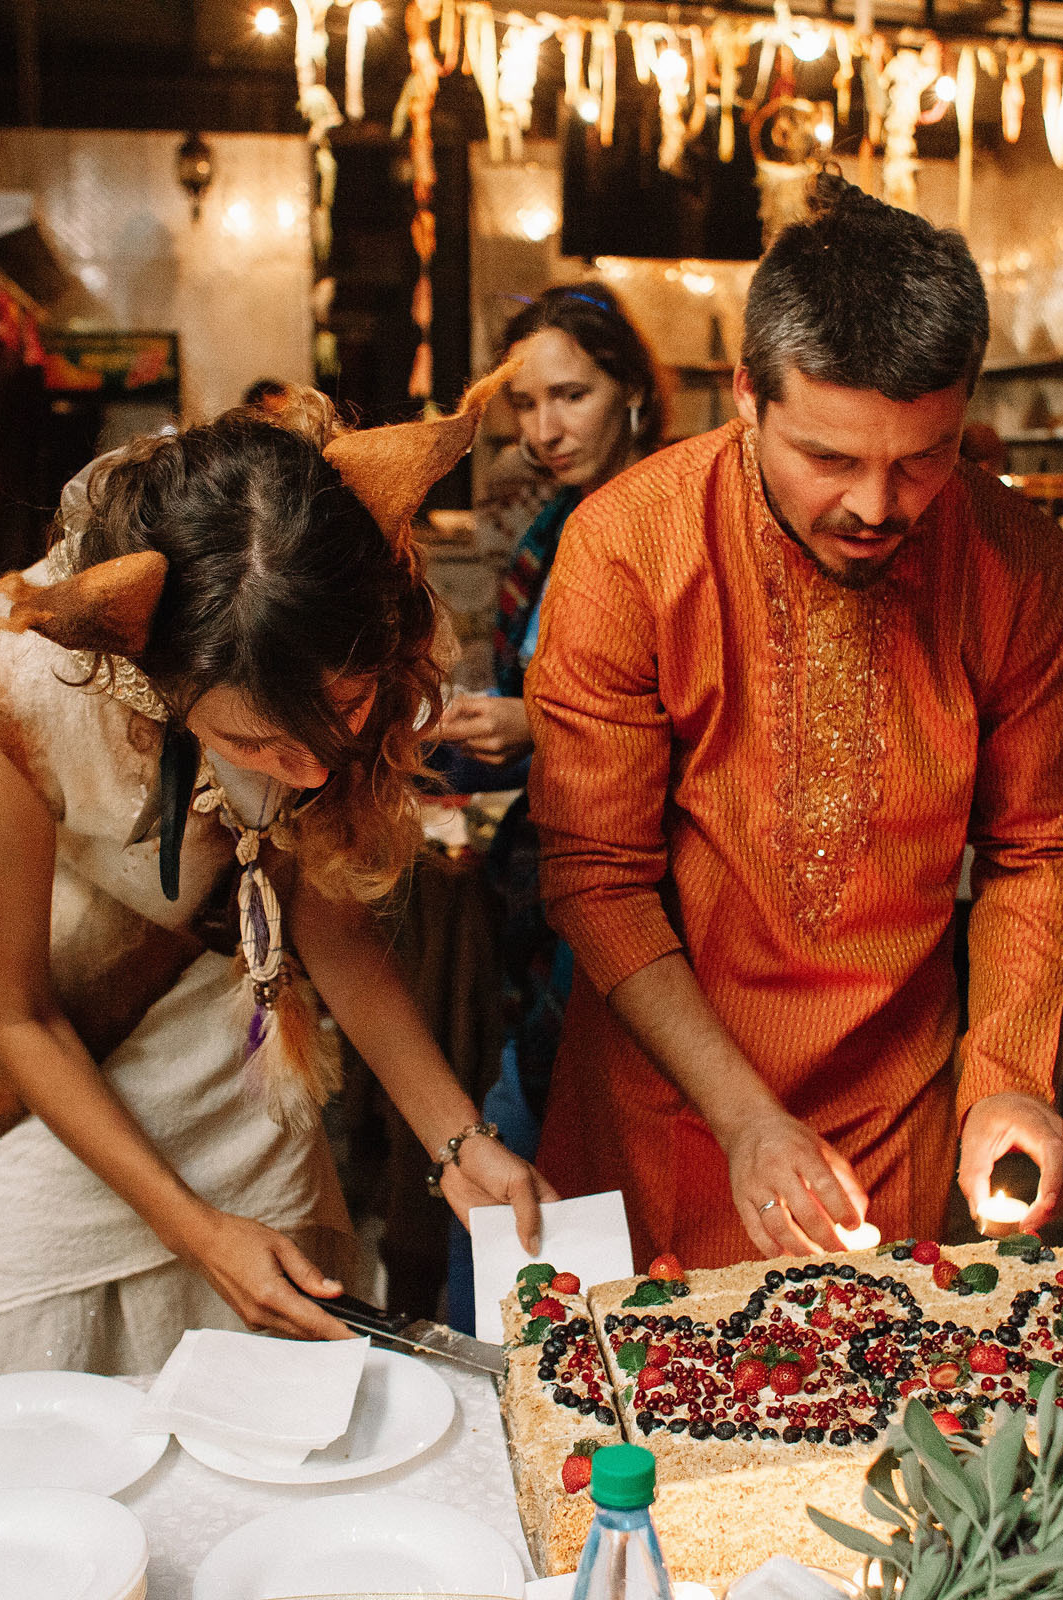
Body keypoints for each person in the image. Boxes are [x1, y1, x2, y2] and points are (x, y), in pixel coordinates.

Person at [0, 381, 553, 1402]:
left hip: (232, 1057)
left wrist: (459, 1141)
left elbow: (327, 920)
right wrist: (195, 1231)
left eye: (345, 712)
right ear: (151, 670)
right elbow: (10, 1011)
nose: (310, 769)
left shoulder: (329, 620)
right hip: (38, 1089)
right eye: (253, 743)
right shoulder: (26, 674)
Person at [526, 176, 1063, 1270]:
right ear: (746, 394)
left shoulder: (1016, 562)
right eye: (830, 457)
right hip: (672, 1109)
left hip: (900, 1119)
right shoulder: (627, 546)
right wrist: (744, 1117)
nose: (878, 506)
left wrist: (1010, 1083)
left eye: (921, 458)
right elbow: (597, 876)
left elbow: (1043, 850)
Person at [434, 284, 662, 1329]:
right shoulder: (549, 534)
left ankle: (532, 1371)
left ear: (635, 392)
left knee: (535, 1152)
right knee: (528, 1150)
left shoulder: (672, 523)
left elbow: (715, 728)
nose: (545, 428)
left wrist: (537, 726)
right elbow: (526, 711)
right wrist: (451, 740)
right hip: (549, 879)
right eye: (526, 405)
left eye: (571, 394)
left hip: (651, 896)